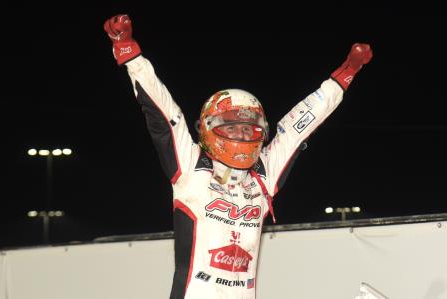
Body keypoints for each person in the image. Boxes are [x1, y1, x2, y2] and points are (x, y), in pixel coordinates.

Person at [104, 14, 373, 299]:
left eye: (250, 128)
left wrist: (346, 74)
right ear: (209, 128)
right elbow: (164, 113)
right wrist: (129, 52)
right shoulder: (191, 166)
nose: (243, 135)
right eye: (232, 127)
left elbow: (298, 127)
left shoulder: (263, 176)